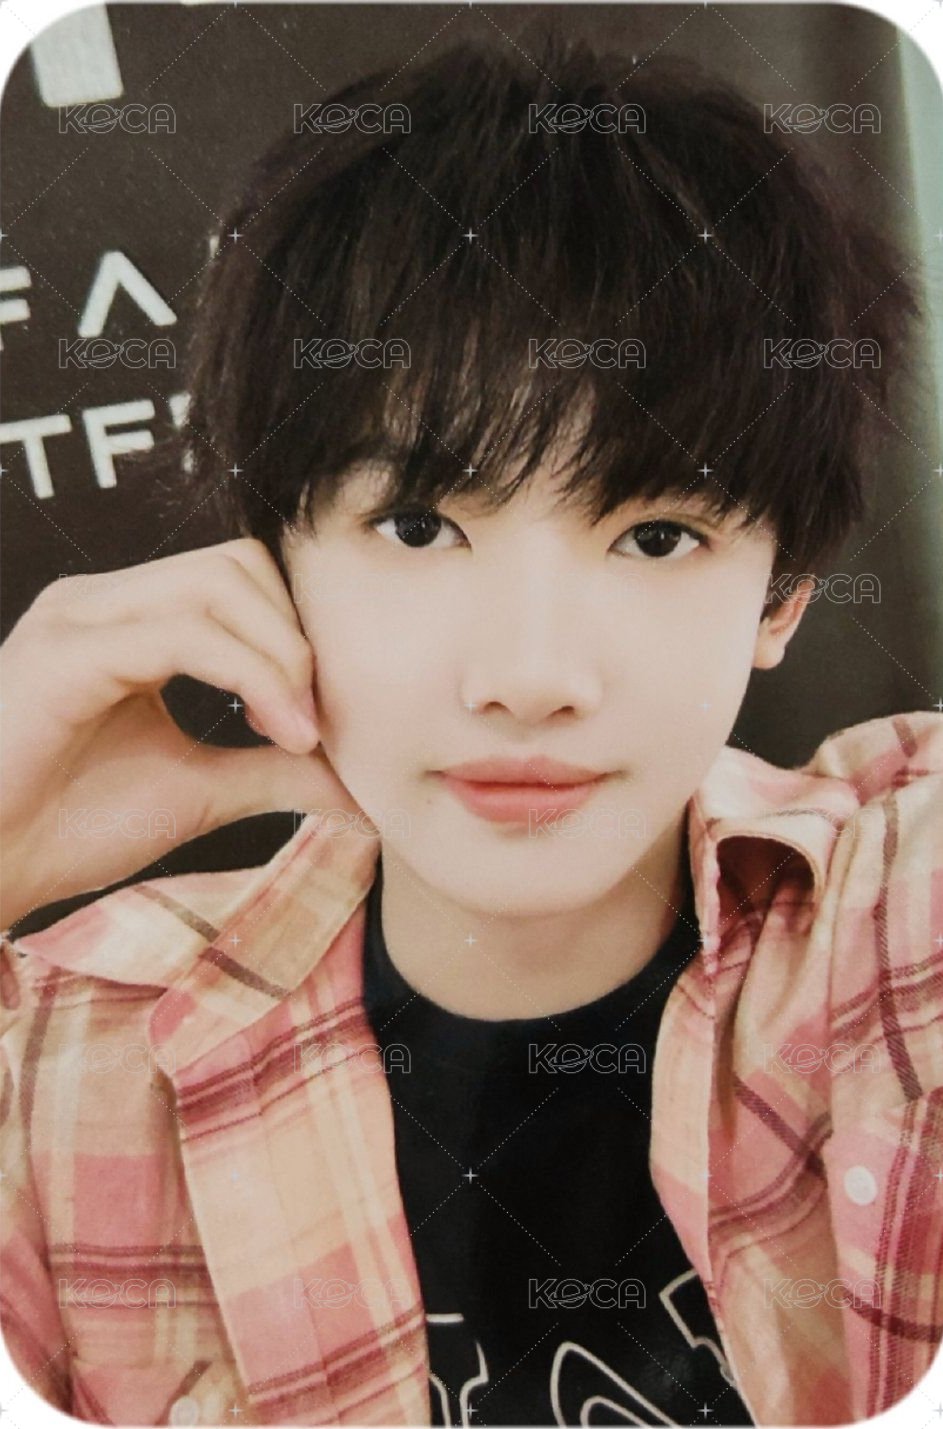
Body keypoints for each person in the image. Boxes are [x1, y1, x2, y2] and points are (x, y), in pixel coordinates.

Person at [2, 28, 941, 1429]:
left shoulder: (897, 912)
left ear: (786, 595)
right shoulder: (61, 1056)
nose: (530, 676)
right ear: (271, 561)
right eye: (417, 525)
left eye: (658, 535)